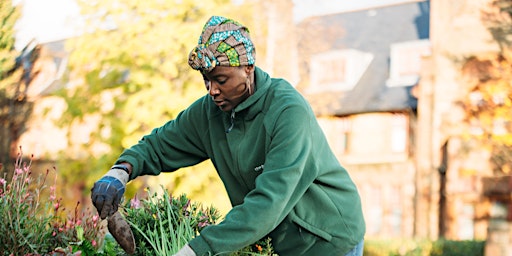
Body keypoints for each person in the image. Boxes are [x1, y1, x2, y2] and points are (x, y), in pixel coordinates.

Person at [91, 15, 365, 256]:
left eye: (221, 80)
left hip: (329, 239)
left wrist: (196, 251)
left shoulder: (288, 112)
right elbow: (159, 146)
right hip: (279, 243)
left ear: (248, 68)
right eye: (206, 80)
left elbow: (269, 203)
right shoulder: (209, 113)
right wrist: (120, 171)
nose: (212, 90)